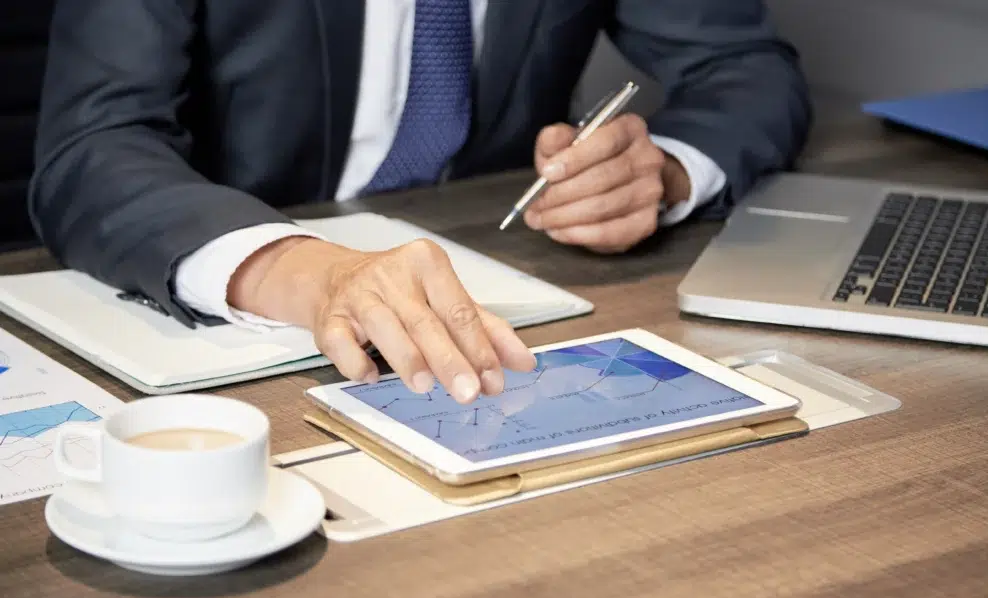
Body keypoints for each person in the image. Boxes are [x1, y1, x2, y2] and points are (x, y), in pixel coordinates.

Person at [29, 0, 811, 404]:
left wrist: (662, 173)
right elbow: (93, 145)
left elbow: (748, 67)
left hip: (511, 290)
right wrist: (299, 270)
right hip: (234, 332)